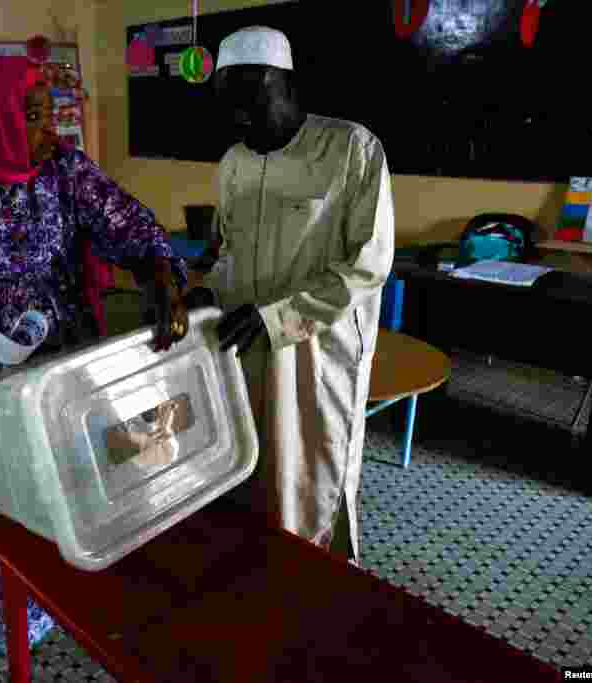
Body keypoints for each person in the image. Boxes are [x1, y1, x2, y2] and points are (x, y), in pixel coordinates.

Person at [0, 55, 189, 654]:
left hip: (57, 370)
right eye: (39, 118)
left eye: (52, 117)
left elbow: (133, 230)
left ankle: (64, 592)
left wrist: (161, 281)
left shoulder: (68, 173)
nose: (54, 133)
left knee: (65, 477)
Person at [186, 26, 395, 563]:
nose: (240, 121)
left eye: (250, 104)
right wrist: (207, 292)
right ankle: (259, 572)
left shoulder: (351, 149)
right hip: (243, 342)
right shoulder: (234, 160)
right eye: (230, 109)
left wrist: (278, 319)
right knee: (249, 463)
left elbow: (367, 268)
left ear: (280, 83)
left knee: (311, 470)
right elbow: (230, 249)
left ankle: (322, 574)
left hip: (315, 350)